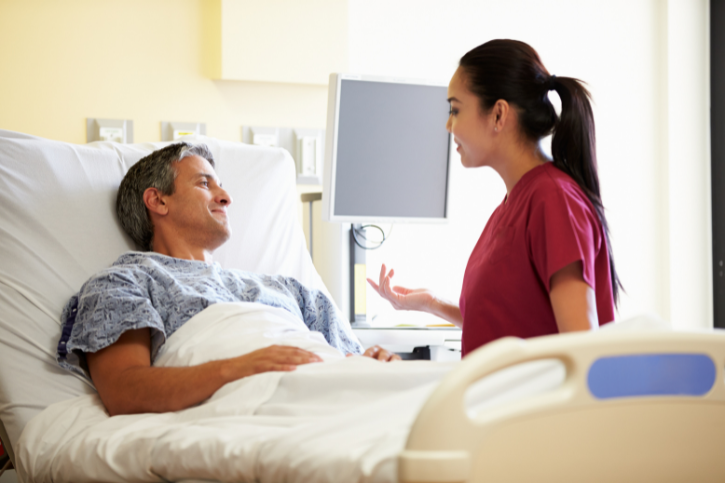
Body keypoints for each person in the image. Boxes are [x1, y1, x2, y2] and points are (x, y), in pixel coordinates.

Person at [56, 143, 398, 417]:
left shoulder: (288, 290)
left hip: (343, 397)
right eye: (205, 183)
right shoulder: (123, 283)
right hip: (268, 408)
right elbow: (124, 392)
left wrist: (376, 363)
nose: (226, 197)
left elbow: (353, 362)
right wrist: (238, 368)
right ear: (157, 200)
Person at [368, 39, 622, 356]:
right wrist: (431, 303)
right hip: (499, 400)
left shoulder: (554, 201)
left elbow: (583, 350)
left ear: (498, 115)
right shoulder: (516, 203)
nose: (448, 125)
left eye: (455, 109)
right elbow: (510, 323)